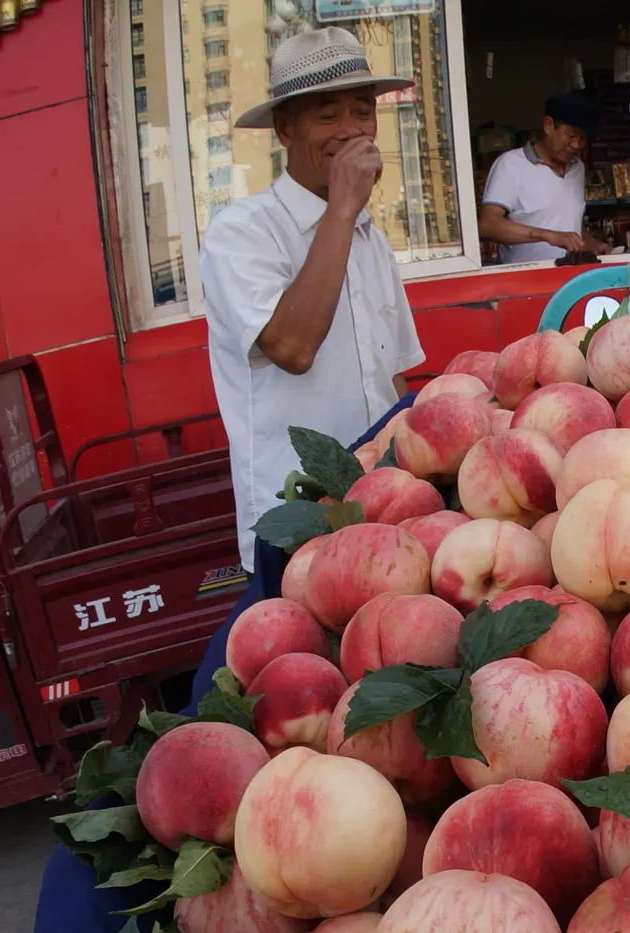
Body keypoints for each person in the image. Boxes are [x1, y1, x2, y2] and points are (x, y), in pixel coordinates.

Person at [200, 29, 424, 580]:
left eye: (362, 112)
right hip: (297, 522)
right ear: (284, 129)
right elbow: (292, 348)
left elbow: (393, 378)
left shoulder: (370, 237)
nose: (351, 131)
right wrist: (343, 207)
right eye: (327, 115)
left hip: (382, 507)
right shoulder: (242, 232)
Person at [479, 93, 606, 265]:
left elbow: (564, 222)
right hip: (526, 281)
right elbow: (487, 225)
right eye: (571, 135)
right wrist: (548, 235)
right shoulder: (511, 165)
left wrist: (592, 244)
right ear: (548, 125)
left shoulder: (577, 168)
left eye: (583, 138)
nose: (576, 145)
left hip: (570, 280)